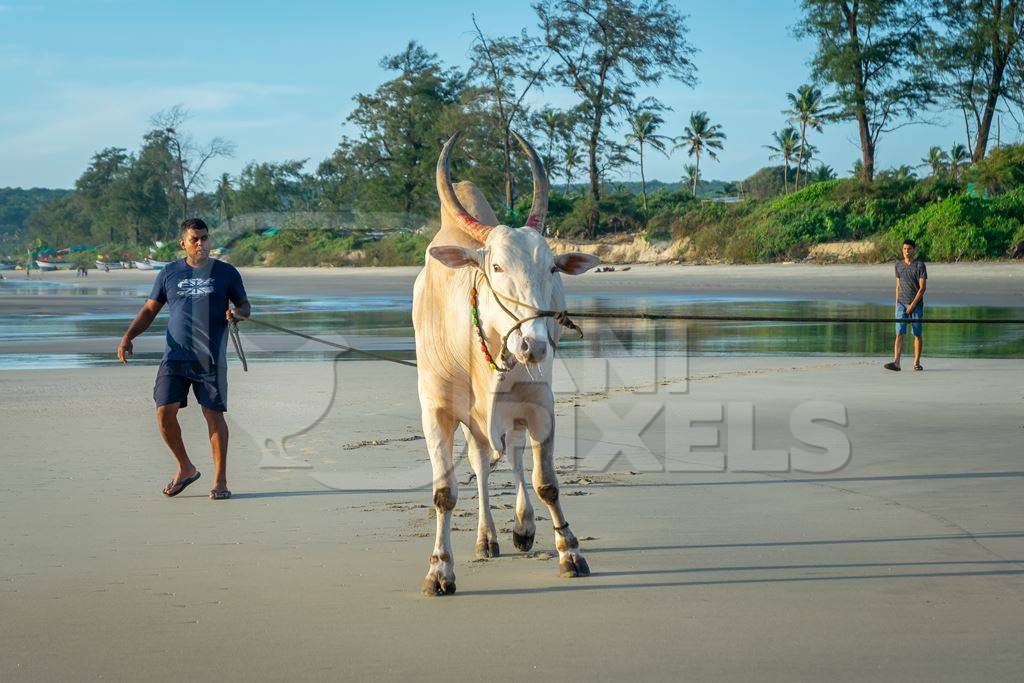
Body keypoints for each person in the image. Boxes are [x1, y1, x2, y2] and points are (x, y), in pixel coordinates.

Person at [117, 218, 250, 499]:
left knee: (213, 416)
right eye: (194, 239)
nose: (201, 243)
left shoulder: (226, 272)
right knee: (164, 412)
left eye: (204, 238)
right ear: (183, 243)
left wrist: (237, 314)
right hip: (174, 356)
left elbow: (244, 305)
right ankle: (186, 468)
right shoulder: (169, 273)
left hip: (210, 358)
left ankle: (220, 481)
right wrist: (129, 336)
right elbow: (150, 309)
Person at [885, 238, 927, 372]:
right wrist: (896, 304)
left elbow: (922, 288)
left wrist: (913, 305)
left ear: (913, 250)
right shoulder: (898, 265)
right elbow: (897, 286)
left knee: (917, 334)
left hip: (916, 305)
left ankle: (916, 362)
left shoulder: (920, 265)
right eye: (904, 249)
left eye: (909, 249)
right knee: (899, 333)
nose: (906, 251)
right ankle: (896, 362)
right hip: (901, 304)